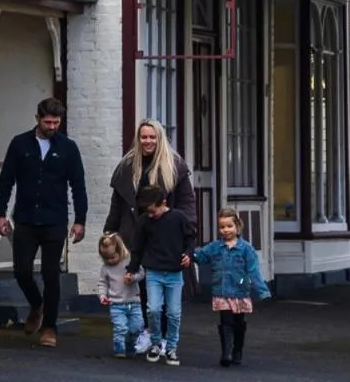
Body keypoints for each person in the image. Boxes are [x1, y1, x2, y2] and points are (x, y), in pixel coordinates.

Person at [0, 97, 88, 348]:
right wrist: (0, 213)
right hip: (25, 218)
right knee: (21, 270)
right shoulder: (20, 144)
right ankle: (37, 304)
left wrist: (80, 220)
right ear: (37, 119)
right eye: (48, 122)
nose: (52, 126)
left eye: (56, 122)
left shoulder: (68, 148)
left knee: (51, 274)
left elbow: (78, 185)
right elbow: (6, 181)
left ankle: (50, 327)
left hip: (55, 219)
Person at [104, 119, 197, 353]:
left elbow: (187, 204)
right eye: (144, 137)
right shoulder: (127, 166)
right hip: (134, 233)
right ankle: (147, 332)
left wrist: (188, 238)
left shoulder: (175, 166)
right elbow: (117, 204)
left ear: (160, 138)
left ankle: (164, 335)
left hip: (166, 236)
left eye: (152, 137)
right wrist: (109, 232)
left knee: (163, 289)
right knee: (140, 287)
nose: (148, 141)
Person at [191, 208, 271, 367]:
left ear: (237, 227)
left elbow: (253, 270)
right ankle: (226, 352)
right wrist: (188, 252)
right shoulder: (215, 247)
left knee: (239, 322)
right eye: (222, 227)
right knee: (225, 320)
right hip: (222, 291)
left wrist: (262, 291)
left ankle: (237, 350)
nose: (225, 230)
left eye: (229, 226)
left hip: (240, 291)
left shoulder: (246, 249)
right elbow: (201, 257)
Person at [126, 185, 194, 366]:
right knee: (153, 309)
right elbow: (137, 247)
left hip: (174, 273)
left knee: (173, 313)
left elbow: (190, 238)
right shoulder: (144, 222)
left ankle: (171, 347)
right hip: (153, 272)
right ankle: (155, 343)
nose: (150, 214)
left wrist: (189, 254)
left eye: (152, 211)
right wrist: (132, 269)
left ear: (163, 203)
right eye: (146, 211)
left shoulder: (178, 218)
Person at [96, 232, 144, 358]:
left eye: (113, 257)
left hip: (134, 302)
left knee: (137, 327)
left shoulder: (129, 262)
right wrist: (102, 296)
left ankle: (130, 345)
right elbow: (102, 283)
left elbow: (142, 273)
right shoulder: (105, 268)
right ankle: (119, 349)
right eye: (106, 258)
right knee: (120, 327)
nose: (110, 261)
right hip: (116, 304)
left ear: (120, 250)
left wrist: (132, 278)